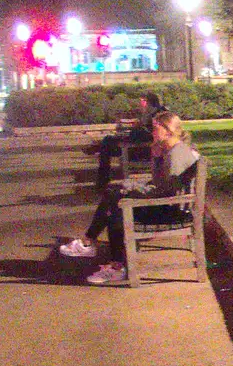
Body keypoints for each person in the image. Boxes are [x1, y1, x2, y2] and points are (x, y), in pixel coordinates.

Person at [60, 112, 201, 286]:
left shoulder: (176, 155)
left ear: (168, 131)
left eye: (155, 128)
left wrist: (134, 193)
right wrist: (153, 161)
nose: (152, 132)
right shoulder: (172, 150)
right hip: (169, 205)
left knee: (117, 209)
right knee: (114, 195)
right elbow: (161, 186)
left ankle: (109, 261)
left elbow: (165, 192)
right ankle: (93, 247)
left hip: (172, 211)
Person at [86, 91, 164, 189]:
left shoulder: (154, 116)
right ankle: (102, 177)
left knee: (106, 145)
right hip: (137, 147)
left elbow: (141, 136)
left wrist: (139, 125)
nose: (142, 105)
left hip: (138, 151)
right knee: (106, 145)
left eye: (143, 102)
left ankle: (102, 180)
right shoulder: (157, 114)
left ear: (149, 103)